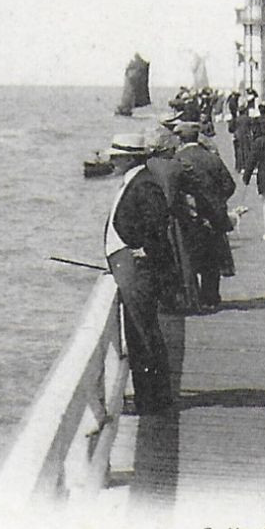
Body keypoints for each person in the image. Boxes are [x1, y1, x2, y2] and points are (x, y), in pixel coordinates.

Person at [102, 133, 179, 413]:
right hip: (128, 266)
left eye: (116, 156)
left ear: (129, 157)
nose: (112, 160)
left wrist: (148, 250)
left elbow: (158, 221)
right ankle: (153, 396)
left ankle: (152, 400)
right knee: (141, 332)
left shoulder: (143, 184)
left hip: (137, 269)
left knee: (141, 332)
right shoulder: (137, 181)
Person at [173, 121, 237, 310]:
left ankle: (193, 297)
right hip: (214, 216)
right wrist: (217, 201)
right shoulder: (212, 158)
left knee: (190, 256)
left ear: (180, 138)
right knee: (212, 258)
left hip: (189, 216)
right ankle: (211, 297)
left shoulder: (177, 159)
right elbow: (230, 185)